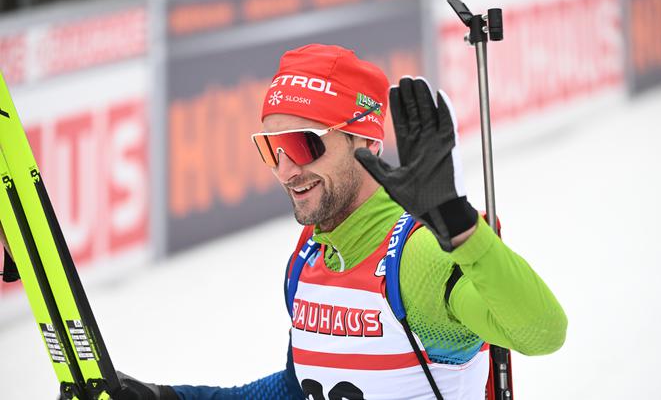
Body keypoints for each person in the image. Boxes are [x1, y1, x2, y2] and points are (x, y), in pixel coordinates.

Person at [106, 44, 568, 399]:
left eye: (304, 144)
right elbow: (296, 389)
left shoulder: (418, 258)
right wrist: (166, 397)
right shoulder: (308, 259)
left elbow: (544, 332)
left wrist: (463, 229)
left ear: (364, 143)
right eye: (272, 149)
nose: (286, 170)